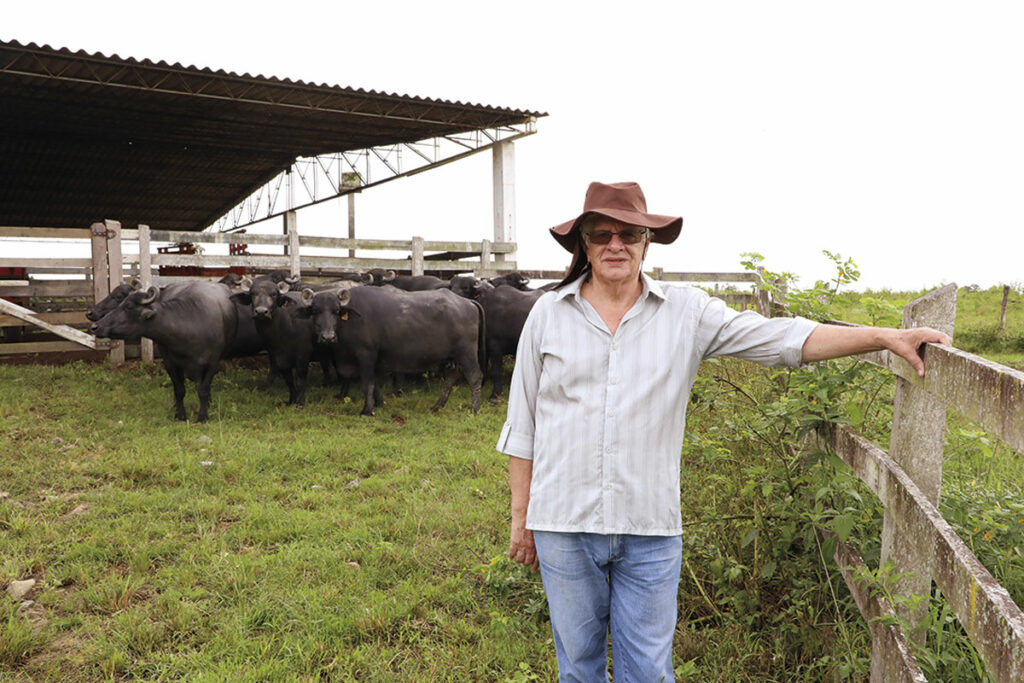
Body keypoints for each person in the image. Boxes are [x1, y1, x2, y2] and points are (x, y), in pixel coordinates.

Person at [495, 181, 951, 682]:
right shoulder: (548, 315)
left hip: (649, 528)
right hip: (564, 523)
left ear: (648, 241)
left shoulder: (687, 313)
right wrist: (523, 522)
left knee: (647, 671)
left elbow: (781, 338)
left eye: (628, 233)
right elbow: (524, 426)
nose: (615, 244)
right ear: (583, 242)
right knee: (578, 667)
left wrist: (883, 337)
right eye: (601, 233)